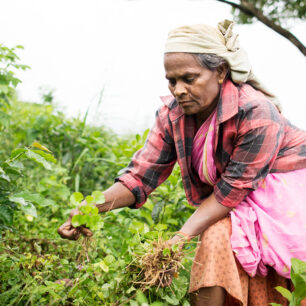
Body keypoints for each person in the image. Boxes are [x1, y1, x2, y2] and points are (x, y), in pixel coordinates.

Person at [58, 20, 306, 305]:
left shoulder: (255, 113)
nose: (178, 90)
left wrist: (179, 237)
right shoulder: (173, 115)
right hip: (236, 199)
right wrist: (90, 208)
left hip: (286, 198)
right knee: (217, 240)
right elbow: (141, 176)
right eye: (172, 80)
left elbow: (230, 192)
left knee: (218, 238)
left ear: (221, 72)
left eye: (189, 78)